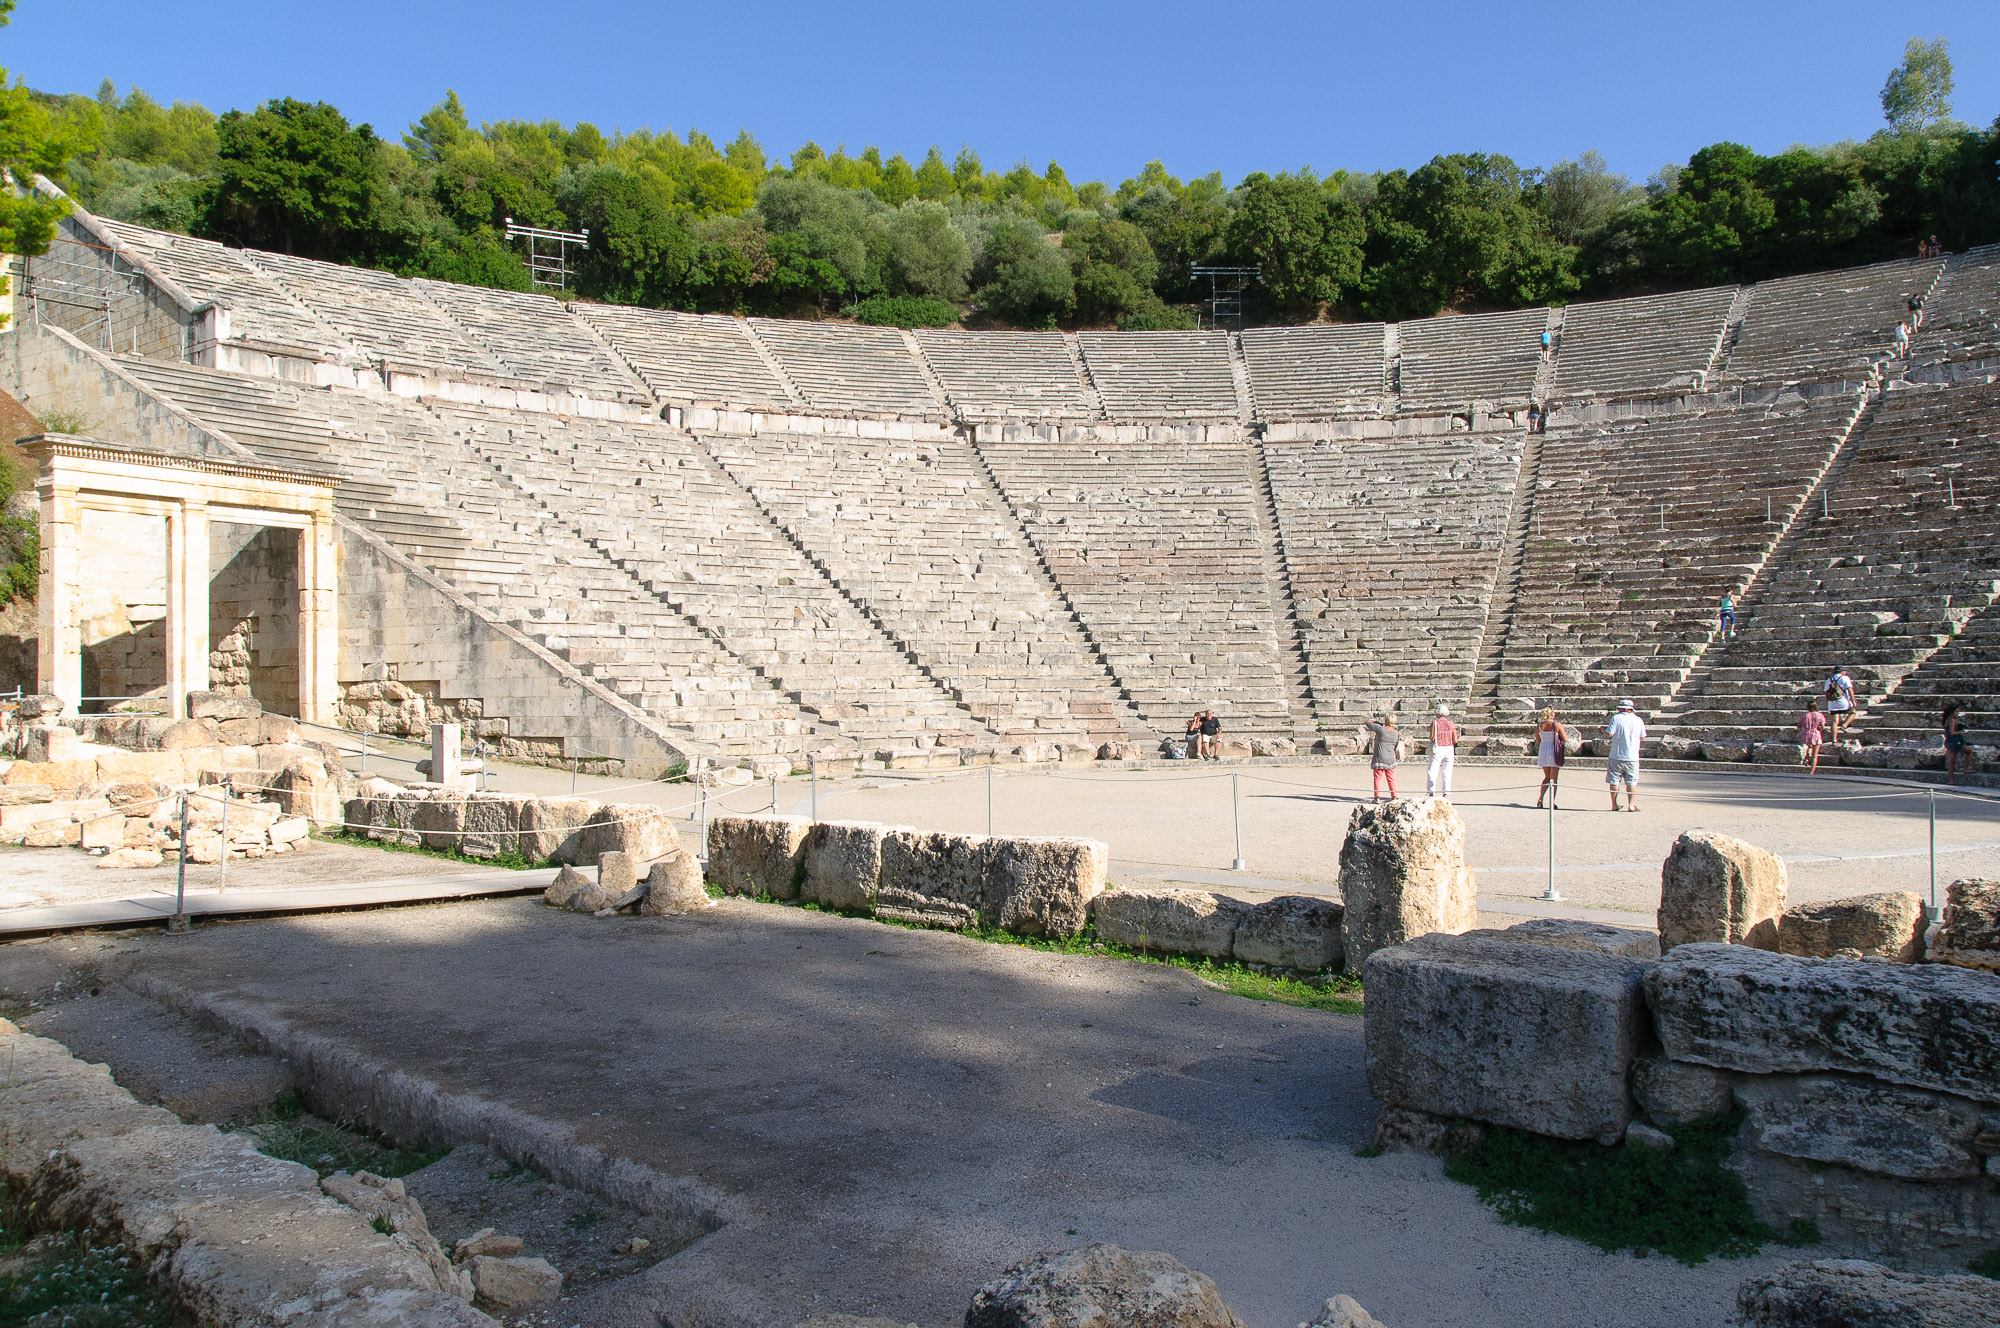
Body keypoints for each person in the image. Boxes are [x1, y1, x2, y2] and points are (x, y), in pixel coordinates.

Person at [1605, 699, 1646, 812]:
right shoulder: (1639, 720)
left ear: (1625, 709)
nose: (1618, 710)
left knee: (1614, 780)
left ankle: (1614, 804)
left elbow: (1610, 733)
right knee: (1632, 781)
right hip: (1632, 756)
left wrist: (1603, 730)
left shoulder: (1616, 718)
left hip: (1616, 754)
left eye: (1620, 708)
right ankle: (1631, 805)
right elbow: (1642, 736)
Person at [1533, 707, 1572, 808]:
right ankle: (1552, 802)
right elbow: (1565, 738)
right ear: (1552, 714)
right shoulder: (1556, 725)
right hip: (1553, 751)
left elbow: (1538, 740)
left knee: (1547, 777)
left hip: (1543, 750)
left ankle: (1540, 798)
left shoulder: (1539, 725)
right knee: (1554, 779)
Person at [1366, 712, 1402, 801]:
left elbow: (1367, 723)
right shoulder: (1396, 733)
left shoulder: (1381, 729)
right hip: (1391, 757)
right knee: (1391, 778)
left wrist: (1375, 721)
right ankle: (1395, 796)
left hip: (1380, 756)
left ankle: (1377, 797)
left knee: (1378, 778)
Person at [1427, 702, 1457, 799]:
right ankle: (1446, 793)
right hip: (1449, 748)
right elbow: (1455, 739)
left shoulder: (1434, 723)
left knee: (1433, 770)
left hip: (1438, 748)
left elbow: (1431, 738)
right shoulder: (1451, 724)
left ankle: (1431, 791)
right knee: (1447, 772)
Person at [1823, 666, 1856, 741]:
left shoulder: (1829, 679)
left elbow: (1826, 691)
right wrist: (1853, 701)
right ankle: (1844, 725)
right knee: (1853, 712)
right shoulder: (1845, 678)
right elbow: (1850, 690)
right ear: (1842, 671)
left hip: (1832, 703)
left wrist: (1828, 700)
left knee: (1834, 721)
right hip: (1843, 701)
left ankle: (1834, 740)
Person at [1798, 698, 1826, 775]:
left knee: (1808, 746)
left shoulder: (1804, 715)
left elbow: (1799, 726)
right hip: (1816, 733)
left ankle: (1807, 757)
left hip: (1806, 733)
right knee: (1815, 755)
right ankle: (1811, 771)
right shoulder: (1820, 715)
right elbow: (1822, 727)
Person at [1944, 701, 1968, 785]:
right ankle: (1966, 769)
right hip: (1954, 742)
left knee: (1951, 762)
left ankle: (1951, 780)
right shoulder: (1952, 720)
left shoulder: (1948, 719)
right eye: (1956, 711)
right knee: (1969, 751)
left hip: (1949, 742)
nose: (1957, 713)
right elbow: (1952, 732)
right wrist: (1961, 732)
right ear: (1952, 712)